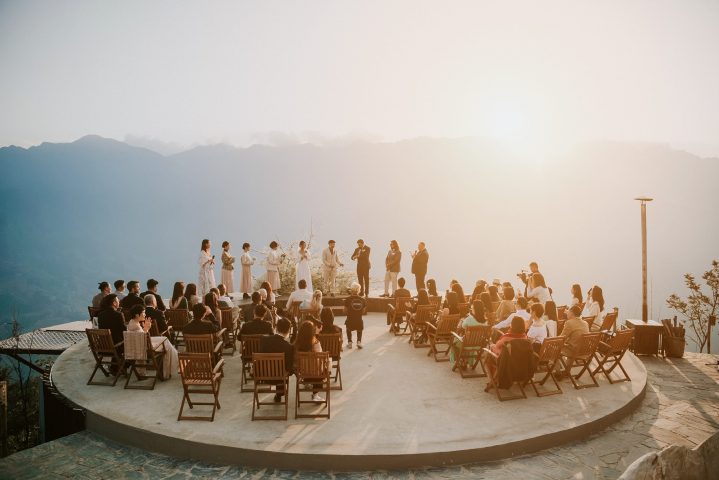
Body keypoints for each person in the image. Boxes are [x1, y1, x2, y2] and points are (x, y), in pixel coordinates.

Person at [126, 304, 178, 380]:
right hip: (145, 348)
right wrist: (146, 328)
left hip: (139, 347)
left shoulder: (132, 323)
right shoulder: (135, 326)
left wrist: (146, 328)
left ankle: (170, 367)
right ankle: (171, 367)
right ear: (137, 315)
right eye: (143, 312)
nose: (145, 314)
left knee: (165, 341)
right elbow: (143, 338)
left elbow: (141, 337)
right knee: (166, 345)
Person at [484, 316, 528, 385]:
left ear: (512, 325)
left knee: (491, 349)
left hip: (506, 361)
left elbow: (497, 345)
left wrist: (492, 346)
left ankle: (493, 380)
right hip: (518, 362)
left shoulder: (507, 337)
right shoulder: (525, 337)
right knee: (498, 351)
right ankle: (496, 378)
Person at [259, 317, 294, 402]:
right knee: (283, 369)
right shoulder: (288, 346)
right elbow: (289, 367)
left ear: (276, 328)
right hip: (279, 378)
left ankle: (279, 394)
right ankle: (279, 393)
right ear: (288, 330)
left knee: (278, 367)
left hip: (263, 375)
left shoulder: (264, 340)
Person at [294, 320, 326, 402]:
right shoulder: (315, 343)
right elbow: (321, 357)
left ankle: (308, 383)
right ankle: (315, 395)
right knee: (322, 368)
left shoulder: (296, 344)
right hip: (316, 374)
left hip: (303, 374)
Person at [449, 300, 486, 367]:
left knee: (455, 342)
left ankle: (460, 360)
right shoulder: (485, 321)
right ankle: (465, 361)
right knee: (464, 339)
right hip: (478, 345)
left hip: (467, 344)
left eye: (472, 308)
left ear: (475, 309)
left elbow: (463, 326)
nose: (471, 309)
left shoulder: (469, 319)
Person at [560, 305, 590, 377]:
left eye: (568, 311)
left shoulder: (569, 323)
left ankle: (558, 371)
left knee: (556, 348)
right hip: (585, 351)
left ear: (571, 313)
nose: (567, 313)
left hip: (573, 351)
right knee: (572, 344)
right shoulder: (585, 323)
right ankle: (566, 371)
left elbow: (561, 339)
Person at [344, 282, 367, 349]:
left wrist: (350, 312)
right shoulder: (363, 300)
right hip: (358, 319)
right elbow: (363, 311)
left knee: (348, 328)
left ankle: (350, 342)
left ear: (351, 290)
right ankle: (359, 342)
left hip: (350, 319)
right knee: (359, 329)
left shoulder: (347, 299)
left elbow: (345, 311)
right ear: (359, 290)